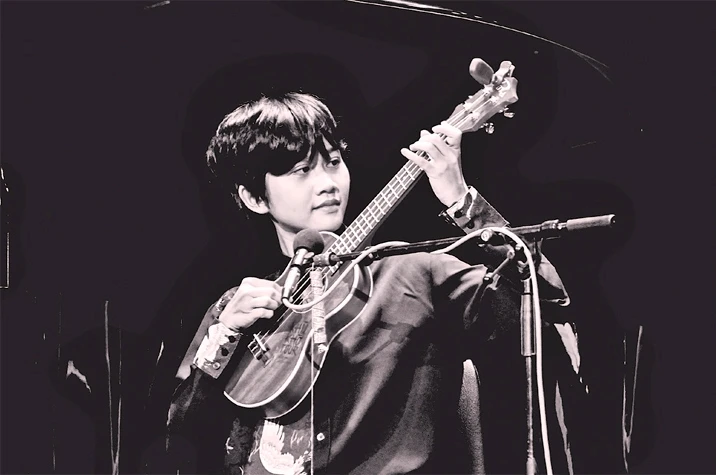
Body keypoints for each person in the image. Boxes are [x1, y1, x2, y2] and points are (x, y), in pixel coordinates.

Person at [144, 91, 578, 475]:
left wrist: (462, 201)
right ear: (255, 198)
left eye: (333, 162)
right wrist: (223, 336)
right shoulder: (239, 306)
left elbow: (545, 304)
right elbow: (180, 435)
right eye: (301, 170)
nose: (327, 183)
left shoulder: (413, 273)